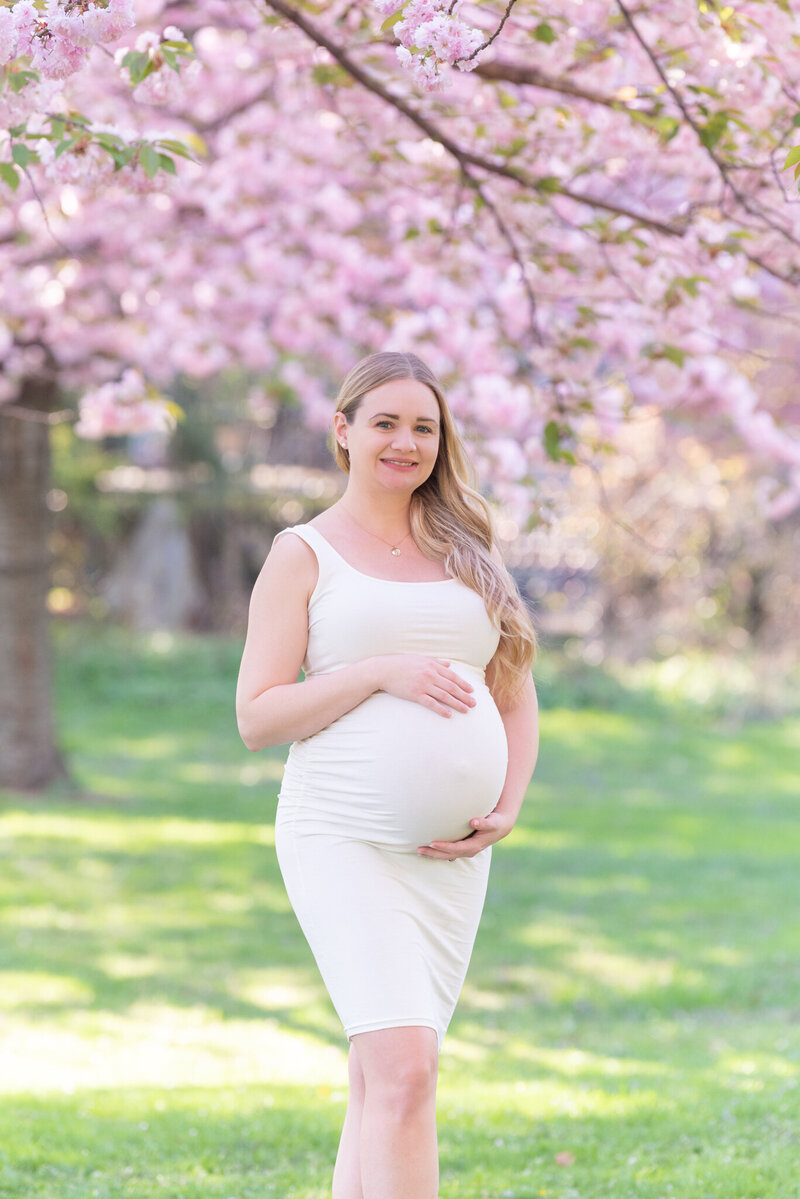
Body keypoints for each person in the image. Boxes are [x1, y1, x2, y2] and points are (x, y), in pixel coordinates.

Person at [236, 351, 540, 1198]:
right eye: (385, 423)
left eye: (425, 428)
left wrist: (507, 804)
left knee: (382, 1077)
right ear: (343, 430)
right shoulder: (303, 553)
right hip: (342, 836)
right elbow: (257, 716)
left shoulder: (467, 549)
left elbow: (512, 691)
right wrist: (379, 671)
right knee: (406, 1072)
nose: (406, 442)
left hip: (450, 860)